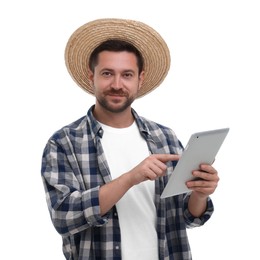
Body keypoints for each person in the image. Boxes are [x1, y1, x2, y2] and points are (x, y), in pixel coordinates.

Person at [41, 18, 219, 260]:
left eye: (127, 75)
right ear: (91, 76)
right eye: (107, 74)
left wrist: (200, 194)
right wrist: (130, 178)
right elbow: (63, 216)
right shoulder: (64, 143)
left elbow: (186, 217)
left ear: (140, 79)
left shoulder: (165, 137)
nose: (117, 84)